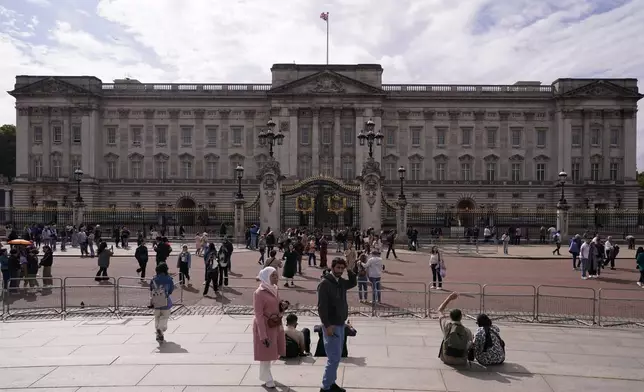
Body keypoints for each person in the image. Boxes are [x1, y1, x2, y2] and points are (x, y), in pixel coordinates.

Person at [317, 257, 357, 392]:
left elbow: (353, 282)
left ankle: (331, 382)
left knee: (337, 357)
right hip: (332, 325)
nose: (340, 270)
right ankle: (326, 386)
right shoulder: (325, 284)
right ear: (332, 267)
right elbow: (322, 307)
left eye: (342, 268)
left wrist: (350, 269)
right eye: (338, 268)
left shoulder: (340, 282)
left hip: (340, 323)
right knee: (333, 358)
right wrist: (327, 325)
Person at [252, 266, 286, 389]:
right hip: (265, 325)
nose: (276, 278)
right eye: (273, 276)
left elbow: (277, 304)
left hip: (275, 324)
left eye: (276, 275)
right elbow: (258, 315)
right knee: (266, 353)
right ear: (266, 277)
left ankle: (265, 374)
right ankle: (267, 377)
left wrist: (282, 305)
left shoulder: (275, 289)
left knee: (272, 352)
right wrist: (262, 335)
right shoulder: (259, 293)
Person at [437, 292, 473, 366]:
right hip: (461, 360)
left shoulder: (447, 325)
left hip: (446, 358)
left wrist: (449, 298)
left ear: (450, 317)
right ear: (461, 317)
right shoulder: (467, 330)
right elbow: (470, 343)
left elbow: (440, 310)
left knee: (445, 336)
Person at [149, 262, 174, 342]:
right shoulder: (169, 279)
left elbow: (151, 289)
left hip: (156, 302)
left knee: (157, 318)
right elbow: (171, 290)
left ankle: (158, 334)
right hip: (166, 301)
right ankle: (160, 329)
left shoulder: (153, 279)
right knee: (164, 317)